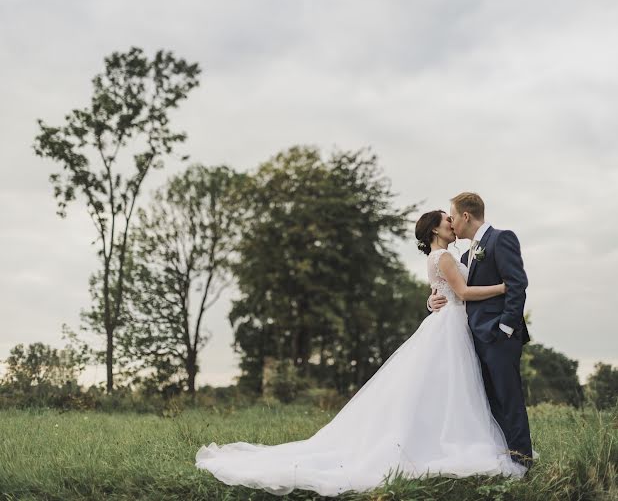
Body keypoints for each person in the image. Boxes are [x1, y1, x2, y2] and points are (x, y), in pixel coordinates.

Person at [195, 207, 528, 497]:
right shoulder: (443, 256)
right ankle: (452, 444)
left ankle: (460, 439)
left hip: (452, 324)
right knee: (450, 388)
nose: (452, 223)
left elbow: (439, 291)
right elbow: (463, 291)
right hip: (452, 327)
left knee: (444, 390)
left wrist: (431, 300)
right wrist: (503, 287)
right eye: (446, 220)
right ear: (434, 231)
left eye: (451, 218)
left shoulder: (447, 256)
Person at [428, 192, 533, 469]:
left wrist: (506, 327)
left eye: (452, 217)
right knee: (488, 402)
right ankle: (504, 457)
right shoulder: (464, 254)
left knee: (508, 399)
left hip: (499, 335)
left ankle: (522, 464)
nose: (451, 223)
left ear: (465, 216)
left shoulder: (501, 239)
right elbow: (453, 289)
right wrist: (431, 299)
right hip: (472, 337)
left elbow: (517, 284)